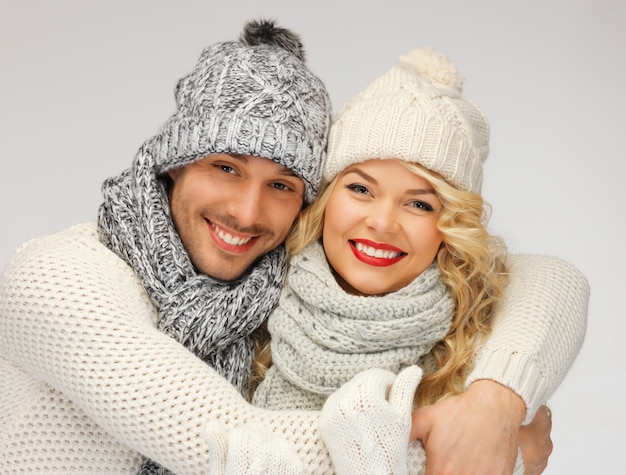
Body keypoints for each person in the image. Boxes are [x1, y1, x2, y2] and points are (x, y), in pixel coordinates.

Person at [0, 18, 587, 475]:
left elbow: (551, 280)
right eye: (225, 167)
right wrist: (499, 449)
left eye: (281, 184)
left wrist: (497, 400)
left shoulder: (261, 293)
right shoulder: (60, 276)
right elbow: (237, 447)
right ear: (171, 166)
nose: (247, 211)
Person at [252, 47, 589, 474]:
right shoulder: (258, 298)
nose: (382, 222)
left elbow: (557, 278)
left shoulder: (474, 341)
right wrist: (516, 455)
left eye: (419, 205)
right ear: (325, 199)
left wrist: (498, 402)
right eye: (360, 189)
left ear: (450, 225)